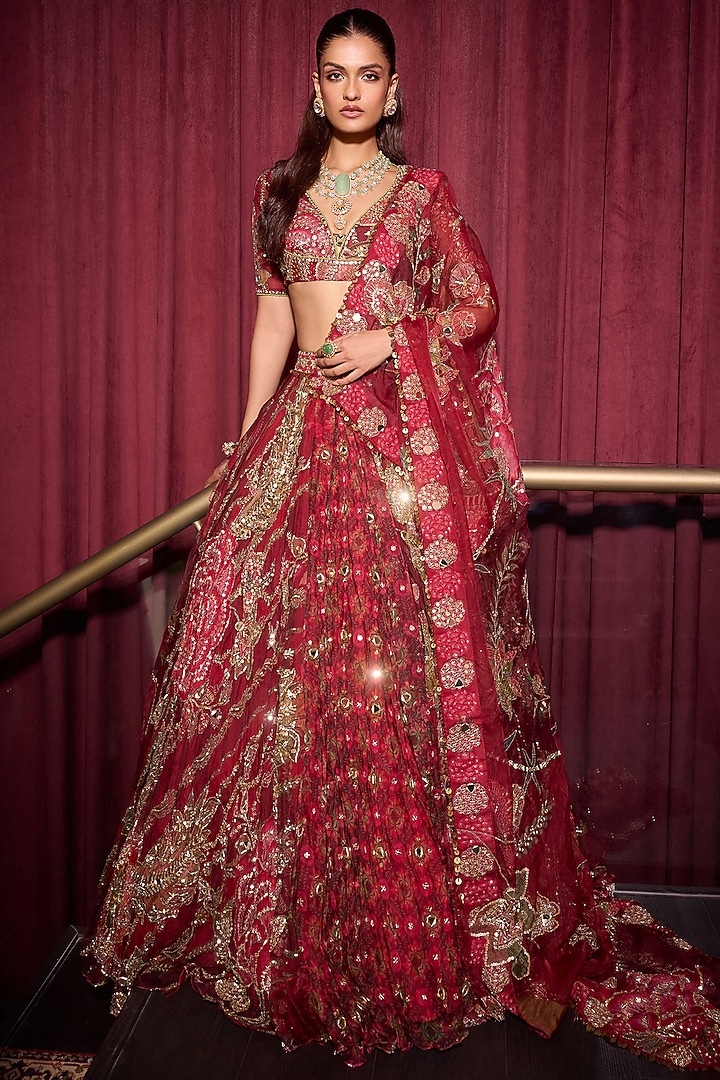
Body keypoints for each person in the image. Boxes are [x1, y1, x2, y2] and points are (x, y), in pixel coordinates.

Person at [84, 9, 720, 1070]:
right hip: (294, 449)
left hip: (386, 465)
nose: (350, 91)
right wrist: (242, 440)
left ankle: (407, 918)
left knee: (386, 683)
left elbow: (477, 308)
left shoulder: (421, 197)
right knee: (271, 682)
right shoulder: (277, 192)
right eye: (334, 74)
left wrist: (391, 337)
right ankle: (282, 921)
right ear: (314, 85)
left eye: (368, 75)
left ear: (393, 88)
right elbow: (273, 321)